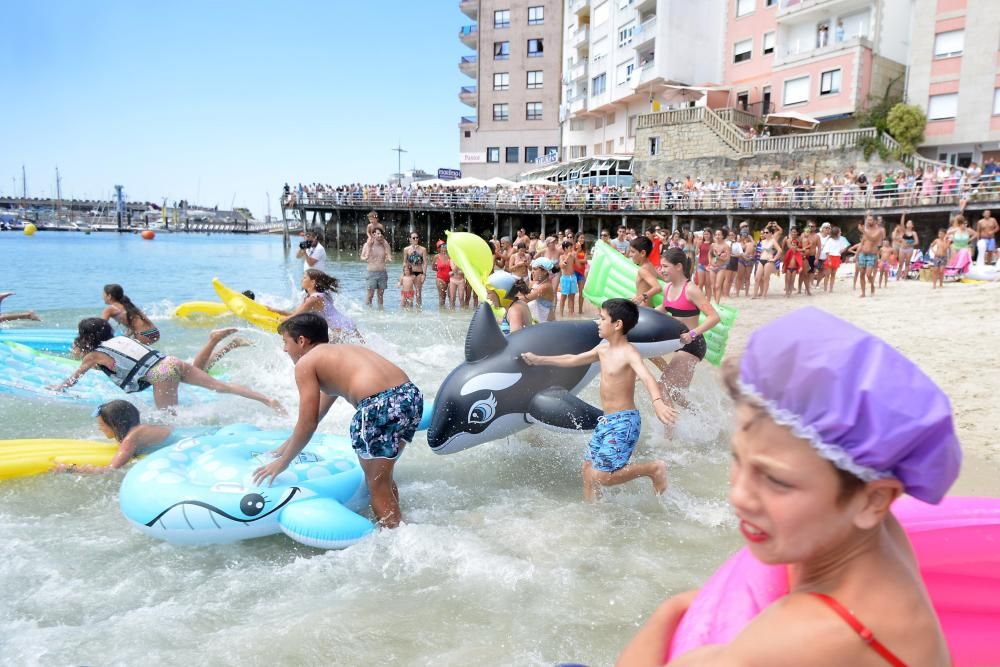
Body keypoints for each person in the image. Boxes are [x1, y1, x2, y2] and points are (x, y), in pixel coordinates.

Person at [616, 307, 959, 667]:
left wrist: (674, 609)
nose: (738, 495)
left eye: (776, 480)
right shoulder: (883, 540)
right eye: (738, 458)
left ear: (874, 500)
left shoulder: (805, 638)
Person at [252, 313, 423, 528]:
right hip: (410, 396)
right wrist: (286, 446)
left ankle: (396, 540)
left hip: (378, 405)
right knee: (382, 475)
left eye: (286, 342)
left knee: (376, 481)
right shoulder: (341, 353)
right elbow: (319, 411)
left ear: (302, 340)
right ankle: (397, 525)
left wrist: (282, 462)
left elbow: (308, 422)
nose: (285, 349)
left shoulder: (306, 363)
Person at [520, 299, 676, 501]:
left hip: (624, 421)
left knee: (603, 476)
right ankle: (593, 511)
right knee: (587, 469)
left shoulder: (629, 353)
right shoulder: (602, 350)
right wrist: (540, 360)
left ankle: (653, 468)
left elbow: (647, 377)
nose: (598, 323)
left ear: (617, 324)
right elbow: (573, 359)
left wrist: (657, 402)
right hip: (606, 421)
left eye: (602, 319)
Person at [51, 319, 280, 411]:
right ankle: (268, 400)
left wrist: (59, 388)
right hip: (171, 361)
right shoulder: (122, 339)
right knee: (221, 386)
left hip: (160, 373)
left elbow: (75, 376)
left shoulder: (93, 355)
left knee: (168, 416)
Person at [656, 248, 721, 403]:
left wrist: (692, 334)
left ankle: (669, 428)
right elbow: (664, 309)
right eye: (661, 266)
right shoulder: (668, 287)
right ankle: (702, 419)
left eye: (665, 266)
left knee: (663, 387)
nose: (661, 270)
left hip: (693, 344)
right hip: (678, 344)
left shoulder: (691, 290)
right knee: (676, 394)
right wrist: (637, 312)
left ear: (678, 266)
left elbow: (714, 317)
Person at [54, 400, 175, 473]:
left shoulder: (131, 438)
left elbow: (111, 469)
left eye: (101, 424)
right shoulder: (138, 431)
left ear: (115, 425)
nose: (99, 428)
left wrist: (71, 469)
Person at [270, 269, 361, 344]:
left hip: (341, 329)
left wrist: (271, 320)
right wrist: (275, 311)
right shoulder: (319, 295)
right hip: (346, 325)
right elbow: (295, 314)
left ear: (313, 282)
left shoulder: (313, 299)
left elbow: (293, 317)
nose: (302, 279)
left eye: (305, 277)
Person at [360, 226, 392, 308]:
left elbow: (389, 256)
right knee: (370, 295)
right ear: (373, 234)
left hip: (382, 273)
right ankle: (368, 312)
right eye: (378, 233)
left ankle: (380, 312)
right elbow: (362, 257)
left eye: (381, 234)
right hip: (371, 273)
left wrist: (389, 258)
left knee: (380, 295)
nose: (380, 235)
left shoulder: (385, 245)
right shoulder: (367, 245)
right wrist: (366, 257)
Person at [854, 216, 884, 298]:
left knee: (868, 274)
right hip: (862, 255)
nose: (868, 221)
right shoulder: (866, 231)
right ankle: (863, 293)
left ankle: (872, 285)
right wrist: (856, 255)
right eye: (867, 220)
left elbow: (873, 239)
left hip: (871, 255)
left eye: (870, 220)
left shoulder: (879, 231)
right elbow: (862, 244)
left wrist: (863, 231)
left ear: (874, 221)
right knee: (862, 274)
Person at [526, 257, 557, 323]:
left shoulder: (546, 286)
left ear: (545, 272)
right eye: (532, 269)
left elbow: (527, 298)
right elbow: (525, 295)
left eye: (535, 269)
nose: (532, 272)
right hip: (536, 319)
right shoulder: (533, 283)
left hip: (547, 322)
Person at [402, 231, 428, 306]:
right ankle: (409, 311)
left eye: (417, 237)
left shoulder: (423, 249)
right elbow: (404, 262)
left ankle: (418, 311)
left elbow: (425, 263)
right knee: (408, 293)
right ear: (410, 239)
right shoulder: (406, 249)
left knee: (418, 293)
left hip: (419, 273)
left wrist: (424, 274)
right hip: (409, 274)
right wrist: (404, 273)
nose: (416, 239)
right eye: (414, 238)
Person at [821, 226, 849, 292]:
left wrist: (842, 250)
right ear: (836, 233)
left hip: (837, 257)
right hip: (830, 257)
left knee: (833, 274)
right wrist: (829, 260)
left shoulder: (840, 240)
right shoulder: (830, 240)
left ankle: (831, 288)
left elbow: (845, 246)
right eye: (840, 232)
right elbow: (827, 251)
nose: (841, 233)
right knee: (827, 274)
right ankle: (825, 288)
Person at [558, 240, 578, 317]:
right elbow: (562, 266)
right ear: (565, 248)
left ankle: (571, 314)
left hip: (572, 277)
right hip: (565, 278)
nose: (571, 249)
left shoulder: (573, 256)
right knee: (563, 297)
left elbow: (578, 265)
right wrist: (567, 257)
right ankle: (561, 315)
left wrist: (575, 255)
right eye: (570, 247)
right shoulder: (561, 257)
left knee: (572, 297)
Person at [898, 213, 919, 280]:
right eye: (907, 223)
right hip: (902, 248)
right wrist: (903, 215)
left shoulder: (913, 233)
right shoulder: (904, 231)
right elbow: (901, 223)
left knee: (907, 263)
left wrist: (909, 244)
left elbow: (917, 242)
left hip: (909, 249)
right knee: (900, 264)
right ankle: (898, 277)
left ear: (912, 225)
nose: (908, 224)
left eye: (910, 223)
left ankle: (905, 277)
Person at [434, 242, 452, 308]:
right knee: (442, 297)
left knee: (451, 297)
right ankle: (442, 314)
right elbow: (433, 267)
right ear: (439, 248)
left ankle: (452, 314)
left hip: (450, 279)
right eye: (442, 246)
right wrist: (440, 271)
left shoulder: (451, 255)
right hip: (440, 279)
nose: (444, 247)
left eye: (445, 246)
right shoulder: (436, 256)